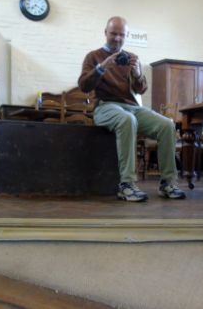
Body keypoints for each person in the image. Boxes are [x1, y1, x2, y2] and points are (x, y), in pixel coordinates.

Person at [78, 16, 186, 202]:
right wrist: (103, 67)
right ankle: (126, 185)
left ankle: (168, 183)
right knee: (128, 120)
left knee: (167, 124)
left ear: (126, 35)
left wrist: (137, 73)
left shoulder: (131, 58)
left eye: (122, 35)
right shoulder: (93, 56)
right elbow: (84, 85)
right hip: (105, 106)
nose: (118, 38)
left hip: (132, 107)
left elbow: (141, 89)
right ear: (105, 33)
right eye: (113, 33)